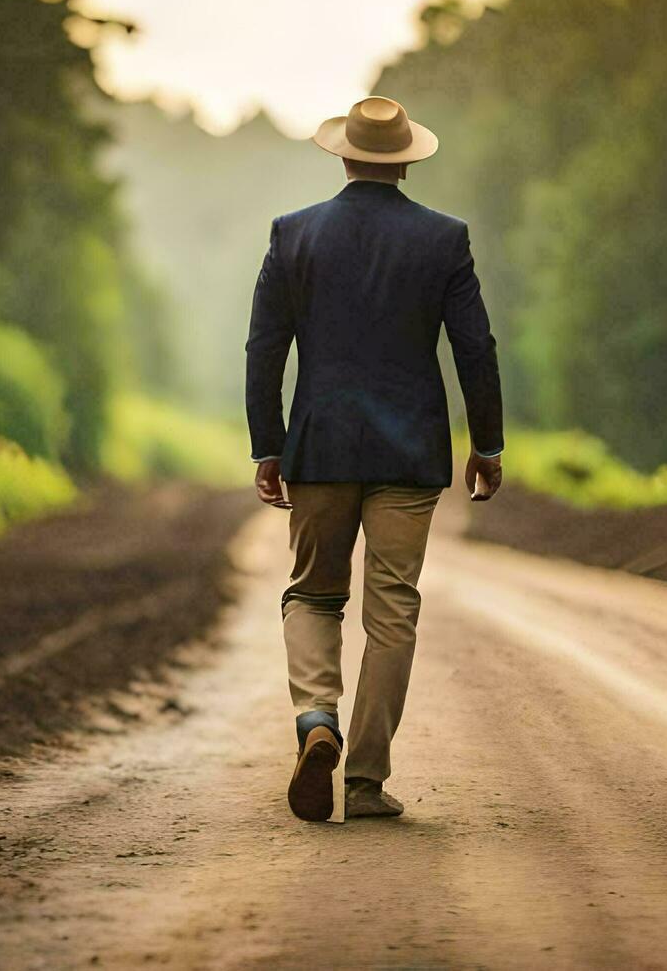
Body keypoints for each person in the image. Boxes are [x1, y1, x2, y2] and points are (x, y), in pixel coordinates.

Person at [245, 96, 504, 821]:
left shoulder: (293, 235)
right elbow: (475, 347)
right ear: (406, 161)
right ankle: (363, 781)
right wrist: (486, 443)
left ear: (344, 154)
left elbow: (265, 348)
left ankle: (315, 720)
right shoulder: (442, 239)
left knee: (312, 594)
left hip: (320, 446)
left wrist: (267, 444)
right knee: (394, 614)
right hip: (409, 451)